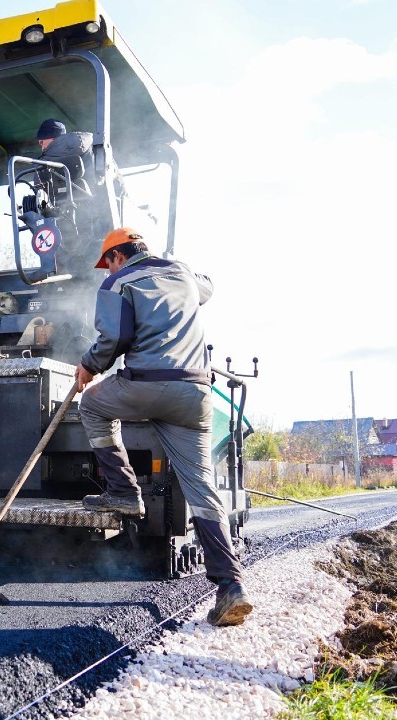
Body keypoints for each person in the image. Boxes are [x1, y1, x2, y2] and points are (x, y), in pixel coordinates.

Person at [75, 228, 253, 627]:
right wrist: (176, 268)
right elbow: (209, 286)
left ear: (118, 256)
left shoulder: (117, 282)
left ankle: (123, 493)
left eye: (109, 261)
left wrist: (88, 365)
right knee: (202, 487)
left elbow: (115, 337)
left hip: (147, 384)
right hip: (194, 392)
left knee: (92, 405)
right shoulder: (183, 274)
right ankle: (231, 586)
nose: (108, 269)